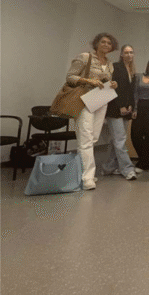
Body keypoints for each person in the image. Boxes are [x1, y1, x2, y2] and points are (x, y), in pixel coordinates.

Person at [65, 33, 118, 191]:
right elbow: (70, 77)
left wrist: (112, 84)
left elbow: (105, 81)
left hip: (101, 99)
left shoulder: (109, 63)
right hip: (84, 99)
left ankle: (81, 172)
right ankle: (87, 177)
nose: (106, 45)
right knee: (86, 138)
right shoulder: (85, 57)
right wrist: (88, 81)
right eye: (103, 42)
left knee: (93, 138)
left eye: (109, 43)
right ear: (96, 43)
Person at [101, 44, 139, 181]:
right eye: (126, 52)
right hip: (115, 109)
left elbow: (130, 91)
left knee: (117, 141)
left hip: (126, 109)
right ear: (122, 54)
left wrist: (131, 106)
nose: (129, 55)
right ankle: (127, 169)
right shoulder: (116, 67)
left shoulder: (132, 71)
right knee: (120, 140)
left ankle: (108, 167)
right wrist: (120, 106)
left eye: (131, 52)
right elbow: (114, 88)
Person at [131, 55, 149, 174]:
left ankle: (144, 163)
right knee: (135, 135)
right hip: (140, 107)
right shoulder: (139, 76)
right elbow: (135, 93)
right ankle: (146, 159)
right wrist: (135, 108)